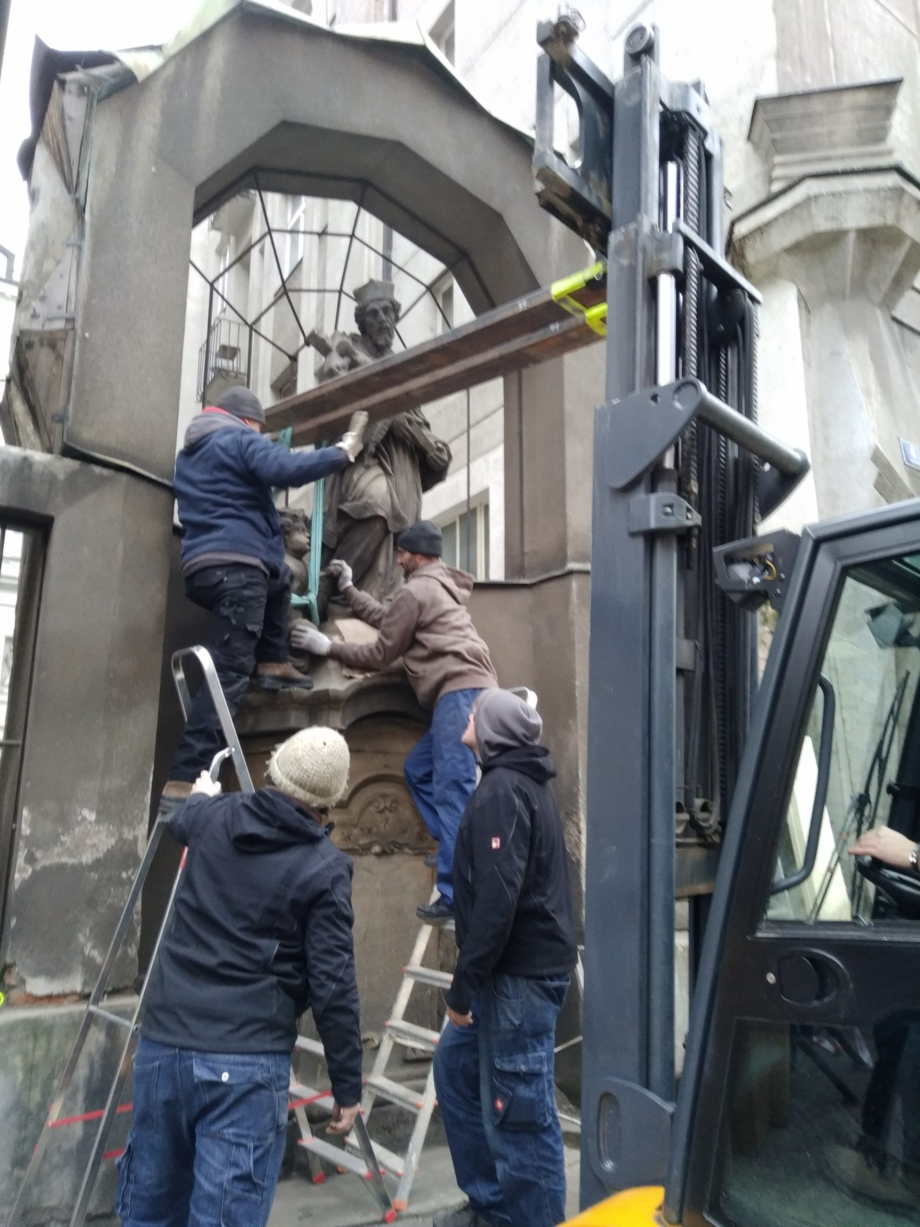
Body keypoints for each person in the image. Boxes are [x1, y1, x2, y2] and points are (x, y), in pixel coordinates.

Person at [117, 726, 363, 1227]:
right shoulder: (325, 866)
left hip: (164, 1047)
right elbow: (333, 987)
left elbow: (183, 818)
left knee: (150, 1214)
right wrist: (347, 1086)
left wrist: (204, 793)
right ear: (332, 799)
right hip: (245, 1065)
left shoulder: (213, 817)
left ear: (274, 771)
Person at [160, 386, 366, 810]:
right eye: (259, 428)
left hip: (206, 566)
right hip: (238, 566)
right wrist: (341, 453)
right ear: (248, 421)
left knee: (279, 579)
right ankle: (184, 777)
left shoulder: (193, 453)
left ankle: (273, 660)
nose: (261, 434)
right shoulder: (239, 437)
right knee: (230, 672)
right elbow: (284, 468)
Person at [291, 520, 497, 923]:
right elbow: (390, 619)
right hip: (465, 694)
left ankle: (455, 895)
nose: (398, 559)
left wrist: (327, 647)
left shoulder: (418, 588)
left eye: (402, 553)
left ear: (417, 556)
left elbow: (383, 652)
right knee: (418, 769)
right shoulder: (437, 587)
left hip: (459, 695)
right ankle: (456, 846)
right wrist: (350, 590)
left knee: (454, 790)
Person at [432, 688, 578, 1227]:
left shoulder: (502, 790)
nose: (468, 717)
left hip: (514, 980)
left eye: (476, 713)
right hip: (511, 975)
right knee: (455, 1067)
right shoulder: (515, 785)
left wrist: (462, 986)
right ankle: (493, 1208)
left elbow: (497, 902)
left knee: (520, 1117)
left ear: (490, 732)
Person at [309, 281, 451, 614]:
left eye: (388, 312)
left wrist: (427, 444)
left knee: (398, 539)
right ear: (362, 321)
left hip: (401, 461)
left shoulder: (399, 364)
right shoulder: (346, 350)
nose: (382, 320)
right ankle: (335, 587)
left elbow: (418, 423)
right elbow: (330, 394)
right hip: (361, 457)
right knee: (377, 506)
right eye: (373, 314)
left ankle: (378, 606)